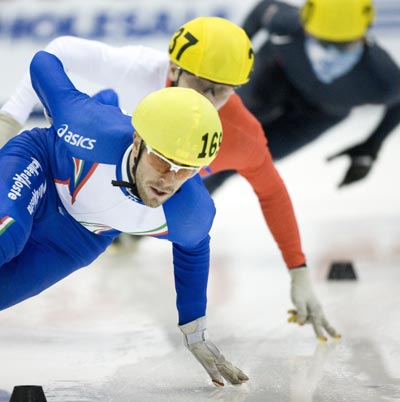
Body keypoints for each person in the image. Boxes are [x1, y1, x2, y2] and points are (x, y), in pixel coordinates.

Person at [0, 17, 340, 342]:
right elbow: (60, 52)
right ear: (173, 68)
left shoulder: (241, 136)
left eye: (222, 92)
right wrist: (10, 119)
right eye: (201, 85)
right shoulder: (140, 69)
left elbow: (272, 193)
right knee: (7, 237)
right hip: (65, 160)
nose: (207, 100)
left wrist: (299, 271)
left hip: (96, 218)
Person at [0, 50, 252, 388]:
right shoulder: (87, 126)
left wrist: (195, 332)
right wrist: (10, 121)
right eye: (163, 161)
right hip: (41, 167)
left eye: (186, 169)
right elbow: (43, 61)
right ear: (137, 142)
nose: (168, 180)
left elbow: (193, 251)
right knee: (7, 236)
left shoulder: (190, 211)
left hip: (78, 237)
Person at [234, 0, 400, 187]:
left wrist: (371, 146)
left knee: (245, 158)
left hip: (320, 114)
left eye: (342, 46)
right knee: (225, 131)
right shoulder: (287, 24)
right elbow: (262, 11)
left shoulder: (382, 79)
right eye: (321, 40)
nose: (328, 51)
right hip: (275, 80)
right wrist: (232, 57)